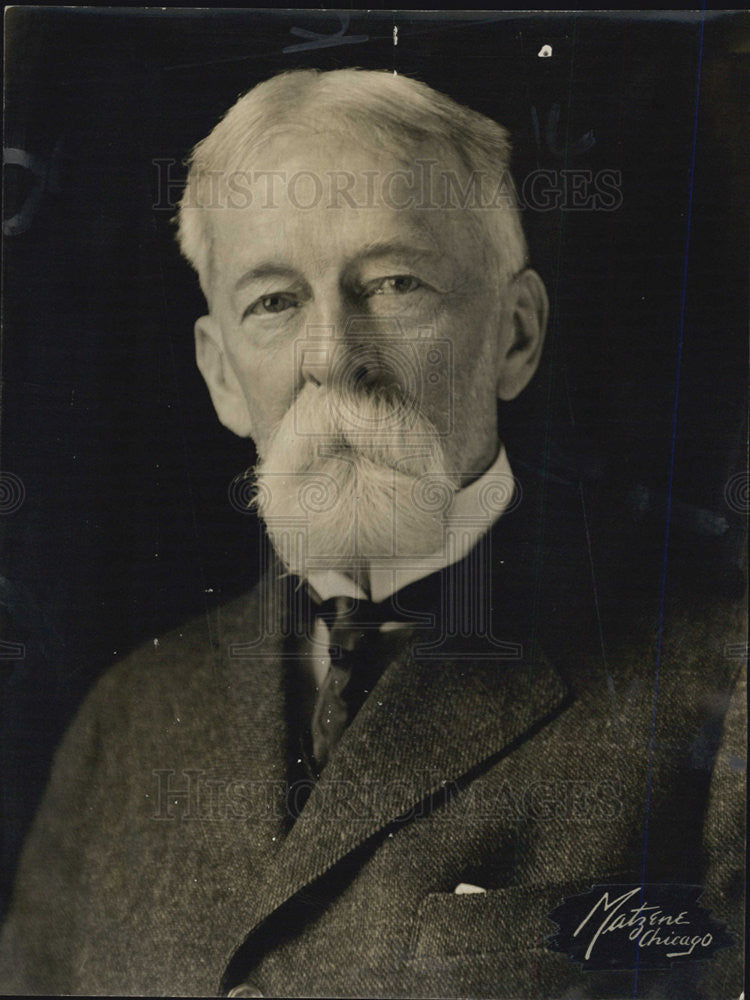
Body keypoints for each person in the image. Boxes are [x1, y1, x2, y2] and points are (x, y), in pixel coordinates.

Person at [0, 68, 744, 999]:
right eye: (274, 301)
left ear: (515, 335)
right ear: (222, 376)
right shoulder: (127, 719)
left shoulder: (721, 686)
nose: (332, 357)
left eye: (394, 283)